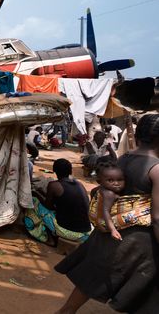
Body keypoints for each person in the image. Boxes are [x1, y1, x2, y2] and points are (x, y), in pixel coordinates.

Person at [55, 114, 159, 313]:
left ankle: (66, 311)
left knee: (91, 279)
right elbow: (157, 217)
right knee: (146, 289)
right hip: (138, 242)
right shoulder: (156, 168)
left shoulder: (123, 159)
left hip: (107, 232)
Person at [24, 158, 91, 245]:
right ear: (70, 171)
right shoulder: (79, 184)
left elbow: (48, 206)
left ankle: (48, 238)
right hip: (87, 232)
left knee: (34, 202)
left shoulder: (54, 185)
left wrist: (36, 194)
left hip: (69, 232)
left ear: (54, 171)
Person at [89, 162, 125, 241]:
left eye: (120, 180)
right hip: (102, 223)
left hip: (95, 220)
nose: (116, 183)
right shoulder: (109, 193)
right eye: (110, 180)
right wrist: (113, 230)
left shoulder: (100, 189)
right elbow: (106, 211)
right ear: (100, 181)